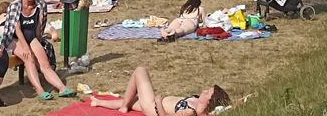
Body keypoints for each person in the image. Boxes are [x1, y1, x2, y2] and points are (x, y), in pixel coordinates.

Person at [2, 0, 74, 101]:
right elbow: (16, 29)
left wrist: (38, 43)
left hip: (31, 36)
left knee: (44, 64)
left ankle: (62, 88)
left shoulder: (41, 5)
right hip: (13, 38)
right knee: (28, 58)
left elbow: (40, 25)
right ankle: (39, 89)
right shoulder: (15, 6)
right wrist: (26, 47)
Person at [89, 66, 230, 116]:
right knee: (132, 100)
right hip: (153, 104)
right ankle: (98, 102)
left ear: (209, 101)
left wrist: (158, 102)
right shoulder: (197, 102)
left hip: (153, 107)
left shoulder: (190, 112)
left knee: (140, 71)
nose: (204, 91)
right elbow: (228, 106)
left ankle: (124, 107)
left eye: (207, 93)